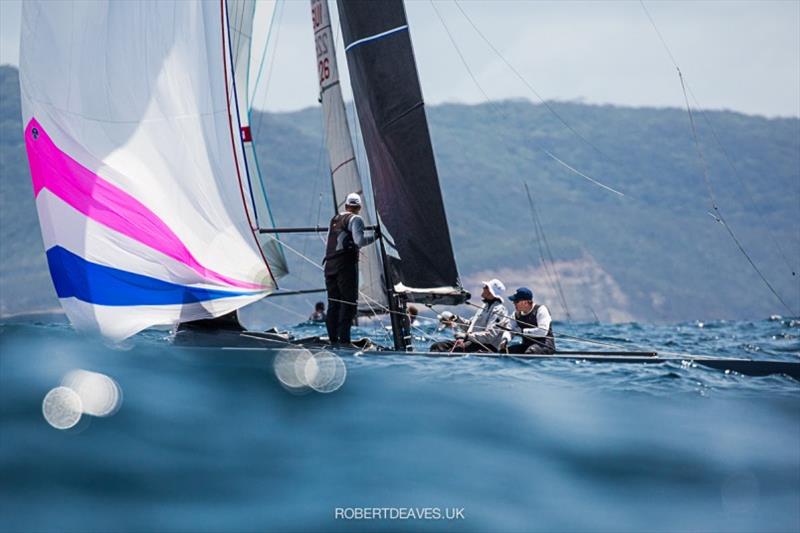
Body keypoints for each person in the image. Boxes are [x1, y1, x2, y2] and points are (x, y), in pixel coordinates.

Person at [323, 192, 376, 345]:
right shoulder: (356, 219)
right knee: (349, 304)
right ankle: (345, 341)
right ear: (359, 207)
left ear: (346, 205)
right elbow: (359, 241)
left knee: (333, 304)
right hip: (344, 267)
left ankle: (333, 341)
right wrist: (376, 236)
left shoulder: (335, 219)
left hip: (329, 266)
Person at [429, 279, 509, 353]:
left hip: (486, 346)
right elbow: (470, 326)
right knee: (437, 346)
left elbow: (490, 336)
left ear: (491, 291)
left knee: (456, 350)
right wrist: (455, 318)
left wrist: (466, 336)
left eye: (486, 287)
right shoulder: (484, 306)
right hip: (471, 342)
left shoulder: (499, 310)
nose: (483, 288)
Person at [500, 287, 556, 354]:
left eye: (516, 301)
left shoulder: (541, 310)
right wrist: (505, 339)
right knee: (505, 352)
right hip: (527, 345)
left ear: (526, 302)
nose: (514, 303)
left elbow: (542, 331)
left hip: (545, 345)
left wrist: (522, 331)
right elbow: (509, 329)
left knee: (530, 352)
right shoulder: (516, 314)